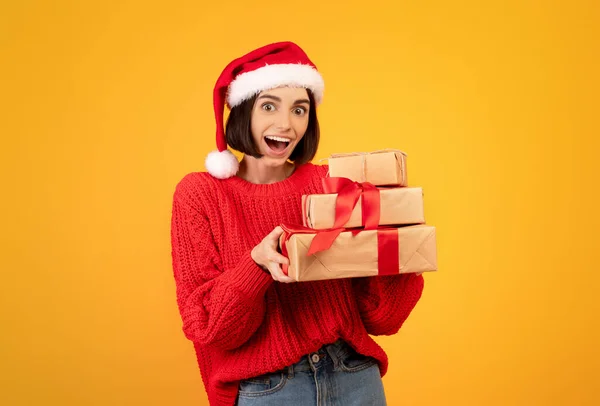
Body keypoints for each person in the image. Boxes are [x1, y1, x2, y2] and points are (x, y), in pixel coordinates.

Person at [170, 41, 425, 406]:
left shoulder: (333, 185)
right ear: (243, 111)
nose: (286, 124)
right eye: (269, 106)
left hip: (353, 375)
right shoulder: (201, 194)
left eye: (300, 109)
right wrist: (255, 265)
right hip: (269, 388)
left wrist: (399, 248)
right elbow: (208, 327)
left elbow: (383, 318)